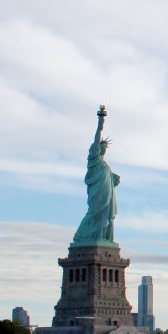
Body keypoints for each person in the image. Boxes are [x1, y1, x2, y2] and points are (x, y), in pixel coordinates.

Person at [71, 105, 120, 246]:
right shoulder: (94, 159)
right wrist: (101, 121)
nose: (103, 148)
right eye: (101, 146)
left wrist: (113, 179)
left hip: (107, 195)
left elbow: (110, 181)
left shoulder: (106, 166)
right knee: (94, 213)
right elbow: (97, 138)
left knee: (105, 215)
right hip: (97, 194)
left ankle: (102, 237)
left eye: (105, 147)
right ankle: (80, 236)